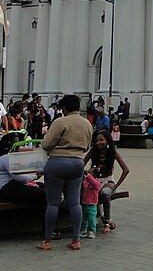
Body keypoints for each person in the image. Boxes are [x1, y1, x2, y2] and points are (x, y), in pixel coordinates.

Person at [38, 94, 93, 251]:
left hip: (57, 162)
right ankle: (76, 240)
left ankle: (47, 240)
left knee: (53, 203)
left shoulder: (60, 122)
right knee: (75, 203)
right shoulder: (87, 123)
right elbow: (88, 145)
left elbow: (46, 144)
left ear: (64, 108)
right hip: (77, 162)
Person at [85, 129, 129, 231]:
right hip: (94, 181)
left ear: (107, 141)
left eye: (101, 140)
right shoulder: (93, 151)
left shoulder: (113, 152)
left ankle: (108, 219)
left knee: (104, 194)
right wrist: (88, 172)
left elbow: (126, 170)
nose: (98, 143)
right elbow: (82, 164)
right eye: (96, 141)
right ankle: (95, 217)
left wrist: (116, 186)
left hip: (108, 182)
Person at [79, 169, 102, 239]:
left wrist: (87, 175)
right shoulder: (86, 181)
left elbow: (93, 182)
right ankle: (84, 230)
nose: (88, 173)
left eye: (90, 172)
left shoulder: (97, 182)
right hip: (84, 203)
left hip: (92, 204)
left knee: (91, 219)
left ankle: (91, 231)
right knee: (83, 218)